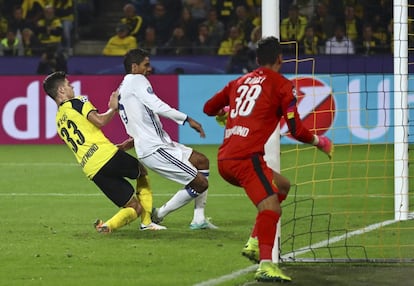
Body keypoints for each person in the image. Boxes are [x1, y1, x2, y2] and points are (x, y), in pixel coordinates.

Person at [203, 36, 333, 282]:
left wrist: (225, 112)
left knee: (282, 186)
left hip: (225, 159)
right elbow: (295, 129)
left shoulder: (237, 82)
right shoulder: (282, 85)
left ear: (256, 60)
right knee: (271, 206)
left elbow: (209, 108)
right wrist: (320, 142)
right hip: (246, 159)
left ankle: (254, 241)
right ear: (280, 60)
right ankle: (265, 264)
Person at [42, 71, 162, 233]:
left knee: (133, 207)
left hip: (91, 169)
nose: (72, 88)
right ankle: (147, 223)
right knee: (141, 171)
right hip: (106, 155)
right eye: (69, 85)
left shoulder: (58, 121)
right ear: (62, 90)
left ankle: (107, 226)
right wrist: (112, 108)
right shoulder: (77, 102)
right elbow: (100, 121)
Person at [116, 48, 217, 230]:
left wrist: (133, 140)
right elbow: (157, 105)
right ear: (134, 67)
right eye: (146, 65)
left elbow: (134, 119)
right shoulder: (137, 80)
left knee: (202, 161)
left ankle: (198, 219)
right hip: (155, 149)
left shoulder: (123, 88)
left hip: (161, 144)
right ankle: (159, 214)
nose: (149, 68)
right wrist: (187, 119)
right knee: (201, 183)